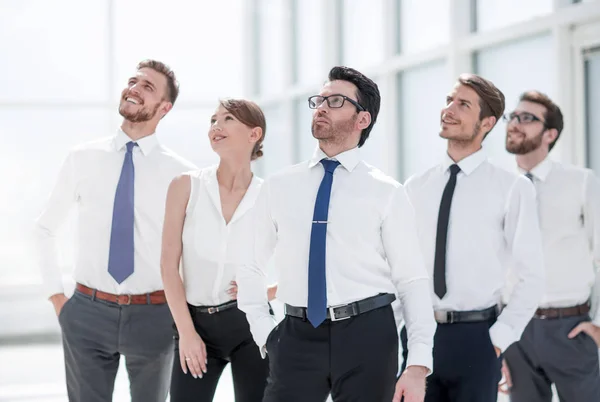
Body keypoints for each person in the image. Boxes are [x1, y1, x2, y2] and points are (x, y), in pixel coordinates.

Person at [237, 66, 436, 402]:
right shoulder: (279, 186)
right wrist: (264, 330)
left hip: (369, 335)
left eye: (337, 100)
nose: (322, 107)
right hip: (295, 335)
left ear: (362, 120)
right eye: (320, 100)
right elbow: (249, 263)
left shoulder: (387, 192)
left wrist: (418, 364)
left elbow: (411, 280)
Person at [34, 60, 197, 402]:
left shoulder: (182, 174)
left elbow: (193, 250)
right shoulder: (82, 157)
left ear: (164, 109)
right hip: (87, 313)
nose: (134, 88)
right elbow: (45, 228)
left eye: (148, 87)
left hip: (154, 315)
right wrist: (58, 300)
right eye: (133, 81)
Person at [402, 73, 545, 402]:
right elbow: (400, 267)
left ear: (487, 122)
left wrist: (498, 339)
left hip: (477, 338)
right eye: (449, 100)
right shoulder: (415, 187)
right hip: (419, 335)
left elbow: (532, 275)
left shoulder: (511, 187)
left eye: (463, 104)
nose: (449, 109)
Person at [161, 99, 277, 402]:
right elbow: (168, 266)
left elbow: (304, 257)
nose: (216, 126)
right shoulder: (185, 186)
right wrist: (186, 334)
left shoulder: (271, 196)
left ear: (254, 134)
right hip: (194, 324)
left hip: (250, 325)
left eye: (227, 119)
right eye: (213, 120)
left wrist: (271, 290)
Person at [501, 90, 600, 401]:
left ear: (550, 134)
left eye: (527, 118)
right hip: (516, 331)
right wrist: (498, 338)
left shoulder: (581, 182)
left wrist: (599, 324)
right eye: (513, 117)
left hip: (570, 328)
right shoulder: (499, 188)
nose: (515, 123)